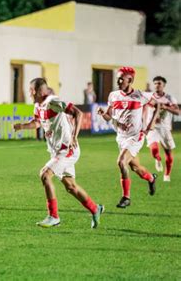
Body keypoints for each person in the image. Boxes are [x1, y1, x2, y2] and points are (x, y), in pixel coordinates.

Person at [13, 78, 104, 228]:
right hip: (56, 151)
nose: (29, 92)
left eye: (31, 90)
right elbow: (37, 123)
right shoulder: (38, 106)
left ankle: (54, 216)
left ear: (40, 91)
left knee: (45, 174)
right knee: (71, 187)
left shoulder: (53, 101)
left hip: (67, 149)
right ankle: (95, 209)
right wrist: (22, 126)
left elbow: (78, 113)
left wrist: (74, 136)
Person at [97, 67, 159, 208]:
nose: (118, 81)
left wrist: (151, 123)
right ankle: (151, 178)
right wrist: (102, 113)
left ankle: (126, 197)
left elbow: (157, 105)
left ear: (130, 80)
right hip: (121, 137)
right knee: (135, 168)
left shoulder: (140, 95)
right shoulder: (113, 95)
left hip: (135, 136)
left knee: (121, 162)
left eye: (121, 78)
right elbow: (108, 117)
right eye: (118, 78)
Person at [146, 76, 179, 182]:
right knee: (154, 149)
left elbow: (177, 112)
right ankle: (157, 159)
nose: (157, 85)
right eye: (155, 83)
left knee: (168, 153)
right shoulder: (150, 97)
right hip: (153, 127)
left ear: (164, 85)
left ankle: (167, 174)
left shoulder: (169, 98)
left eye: (159, 83)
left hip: (165, 128)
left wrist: (165, 107)